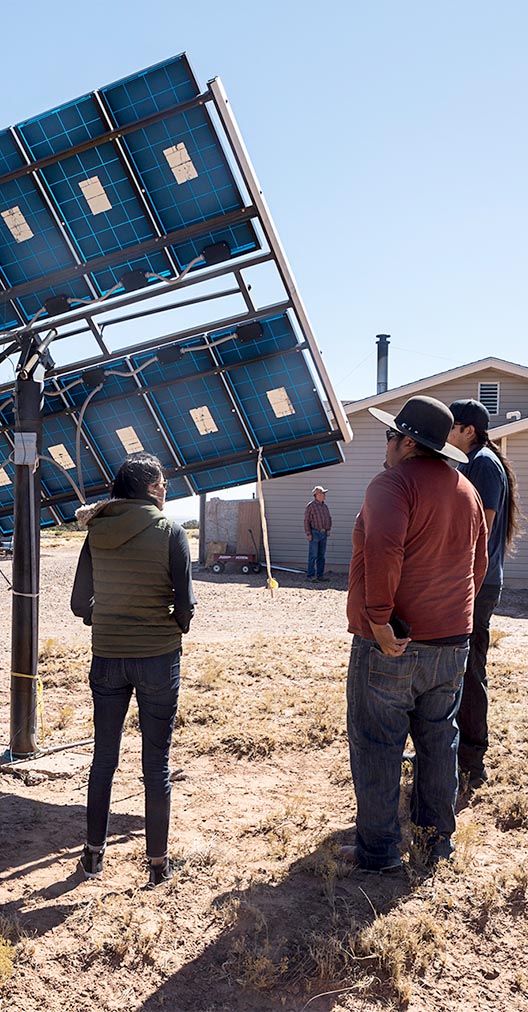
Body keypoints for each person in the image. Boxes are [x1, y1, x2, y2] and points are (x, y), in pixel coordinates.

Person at [345, 396, 488, 873]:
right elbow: (478, 566)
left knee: (377, 745)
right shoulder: (466, 491)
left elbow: (384, 551)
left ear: (407, 442)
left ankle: (379, 852)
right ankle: (435, 843)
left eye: (390, 436)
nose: (385, 445)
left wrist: (379, 620)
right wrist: (455, 618)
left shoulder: (393, 484)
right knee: (438, 742)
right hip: (451, 642)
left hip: (394, 643)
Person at [71, 452, 195, 887]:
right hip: (159, 658)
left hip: (107, 656)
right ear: (149, 488)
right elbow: (185, 607)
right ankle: (158, 865)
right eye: (162, 483)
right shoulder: (171, 531)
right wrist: (169, 625)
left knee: (103, 758)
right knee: (156, 764)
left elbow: (78, 604)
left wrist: (106, 617)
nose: (165, 489)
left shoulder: (96, 531)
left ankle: (93, 857)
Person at [447, 399, 520, 789]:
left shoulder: (484, 464)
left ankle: (473, 761)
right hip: (470, 581)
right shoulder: (472, 462)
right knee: (456, 668)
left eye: (451, 426)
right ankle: (452, 751)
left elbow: (481, 529)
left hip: (478, 583)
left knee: (471, 670)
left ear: (468, 431)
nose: (446, 432)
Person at [304, 485, 332, 581]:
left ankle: (320, 575)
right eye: (322, 493)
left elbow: (328, 518)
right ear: (317, 495)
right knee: (313, 555)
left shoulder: (325, 506)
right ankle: (310, 576)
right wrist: (308, 533)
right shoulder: (311, 506)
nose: (324, 495)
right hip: (314, 533)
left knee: (321, 556)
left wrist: (328, 529)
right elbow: (306, 520)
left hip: (323, 533)